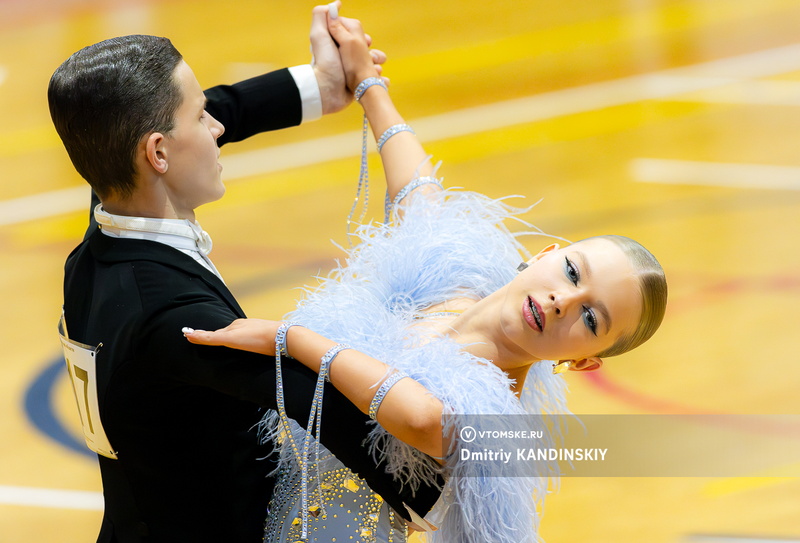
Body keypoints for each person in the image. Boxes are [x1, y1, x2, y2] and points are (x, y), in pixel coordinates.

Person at [184, 7, 669, 543]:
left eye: (591, 316)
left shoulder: (494, 419)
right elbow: (418, 189)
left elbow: (425, 421)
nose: (562, 300)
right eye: (573, 271)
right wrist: (367, 80)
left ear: (582, 362)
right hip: (230, 504)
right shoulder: (456, 273)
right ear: (546, 252)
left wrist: (290, 337)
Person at [49, 5, 442, 542]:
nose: (218, 128)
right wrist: (464, 487)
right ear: (158, 152)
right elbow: (321, 403)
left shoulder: (107, 213)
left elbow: (206, 114)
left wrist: (320, 85)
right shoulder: (175, 319)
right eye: (201, 116)